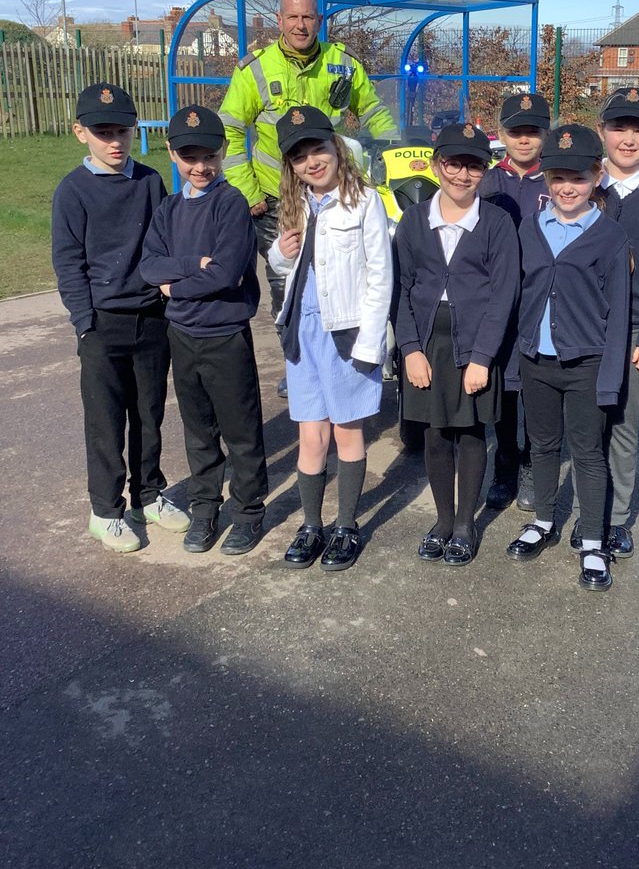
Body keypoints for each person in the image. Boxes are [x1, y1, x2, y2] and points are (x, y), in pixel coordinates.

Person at [219, 0, 396, 394]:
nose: (301, 25)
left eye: (308, 17)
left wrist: (394, 151)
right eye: (293, 17)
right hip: (277, 198)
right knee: (288, 282)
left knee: (343, 277)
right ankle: (297, 364)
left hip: (334, 194)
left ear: (319, 20)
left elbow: (373, 110)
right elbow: (230, 129)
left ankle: (344, 359)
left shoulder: (342, 64)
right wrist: (248, 192)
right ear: (279, 20)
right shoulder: (255, 70)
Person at [51, 82, 189, 552]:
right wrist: (84, 322)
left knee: (149, 414)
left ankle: (148, 495)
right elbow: (68, 262)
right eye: (103, 132)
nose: (114, 142)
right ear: (80, 133)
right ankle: (105, 510)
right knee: (106, 421)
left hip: (151, 319)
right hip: (101, 324)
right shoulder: (72, 190)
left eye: (122, 131)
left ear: (135, 130)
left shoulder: (149, 181)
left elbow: (164, 243)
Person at [267, 106, 393, 572]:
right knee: (310, 434)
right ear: (291, 165)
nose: (312, 162)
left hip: (346, 333)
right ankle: (311, 525)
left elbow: (380, 276)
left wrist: (371, 343)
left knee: (346, 430)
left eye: (318, 149)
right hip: (303, 332)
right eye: (299, 157)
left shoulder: (365, 202)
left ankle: (346, 526)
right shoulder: (297, 202)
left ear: (336, 147)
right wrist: (278, 254)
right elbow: (287, 266)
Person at [140, 106, 268, 556]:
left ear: (224, 151)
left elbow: (227, 273)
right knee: (198, 432)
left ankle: (248, 513)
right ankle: (205, 509)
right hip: (182, 335)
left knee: (241, 431)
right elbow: (149, 266)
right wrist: (192, 264)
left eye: (210, 156)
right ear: (172, 153)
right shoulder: (169, 209)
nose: (201, 166)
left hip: (225, 334)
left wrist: (175, 287)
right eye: (190, 157)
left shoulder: (230, 204)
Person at [509, 124, 631, 593]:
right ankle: (543, 520)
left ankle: (594, 541)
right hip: (536, 360)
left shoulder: (610, 236)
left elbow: (618, 313)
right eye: (558, 177)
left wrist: (609, 378)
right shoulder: (530, 228)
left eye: (578, 178)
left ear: (596, 177)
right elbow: (519, 296)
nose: (567, 187)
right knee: (542, 445)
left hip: (586, 364)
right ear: (546, 178)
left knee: (587, 452)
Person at [393, 122, 519, 566]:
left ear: (484, 170)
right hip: (429, 343)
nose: (462, 175)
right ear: (435, 165)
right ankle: (443, 520)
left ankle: (466, 524)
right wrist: (410, 349)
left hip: (475, 342)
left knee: (470, 433)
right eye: (453, 164)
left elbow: (504, 294)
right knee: (435, 433)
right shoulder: (414, 220)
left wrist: (483, 358)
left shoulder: (496, 223)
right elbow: (400, 289)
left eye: (474, 166)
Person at [569, 86, 639, 560]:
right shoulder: (583, 182)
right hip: (582, 326)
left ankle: (614, 520)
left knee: (622, 426)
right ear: (601, 131)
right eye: (619, 128)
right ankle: (586, 512)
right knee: (585, 426)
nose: (629, 139)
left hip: (633, 329)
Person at [478, 92, 552, 513]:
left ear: (545, 134)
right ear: (501, 134)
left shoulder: (557, 179)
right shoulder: (488, 181)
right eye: (516, 132)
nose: (524, 140)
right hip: (498, 302)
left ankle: (531, 463)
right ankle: (504, 463)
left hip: (542, 301)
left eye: (533, 132)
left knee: (537, 391)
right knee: (504, 389)